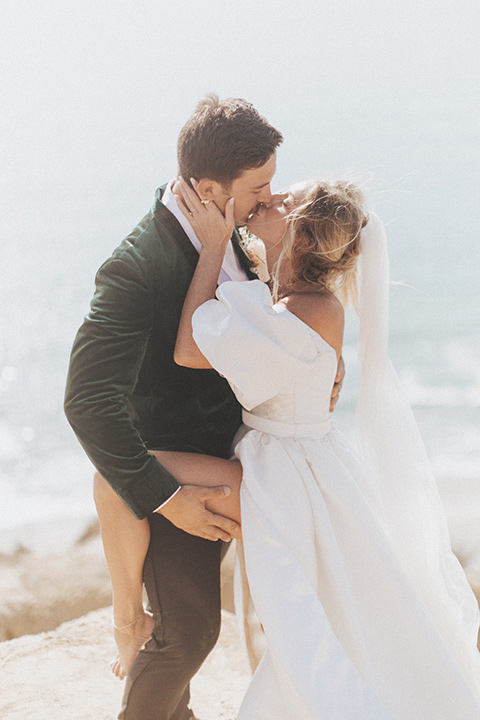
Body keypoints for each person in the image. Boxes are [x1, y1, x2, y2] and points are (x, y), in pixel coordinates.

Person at [65, 95, 345, 720]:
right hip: (171, 474)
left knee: (183, 631)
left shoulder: (232, 234)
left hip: (238, 458)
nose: (271, 200)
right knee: (190, 637)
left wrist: (321, 352)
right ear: (211, 188)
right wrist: (169, 498)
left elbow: (256, 324)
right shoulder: (136, 267)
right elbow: (86, 400)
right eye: (261, 188)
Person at [169, 178, 480, 718]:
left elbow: (192, 347)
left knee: (308, 617)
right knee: (330, 608)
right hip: (297, 459)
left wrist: (215, 243)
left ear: (298, 239)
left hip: (291, 474)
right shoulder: (291, 301)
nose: (271, 198)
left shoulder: (305, 311)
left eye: (283, 201)